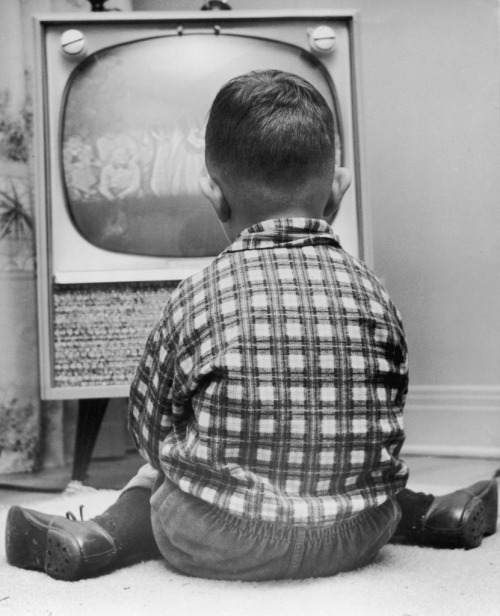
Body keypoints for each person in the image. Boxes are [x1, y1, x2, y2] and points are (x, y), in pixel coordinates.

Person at [5, 70, 497, 582]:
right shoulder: (375, 292)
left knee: (160, 471)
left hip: (221, 541)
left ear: (213, 194)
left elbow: (149, 432)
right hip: (357, 536)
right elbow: (387, 417)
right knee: (368, 478)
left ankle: (102, 535)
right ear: (338, 190)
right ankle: (433, 512)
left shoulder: (196, 295)